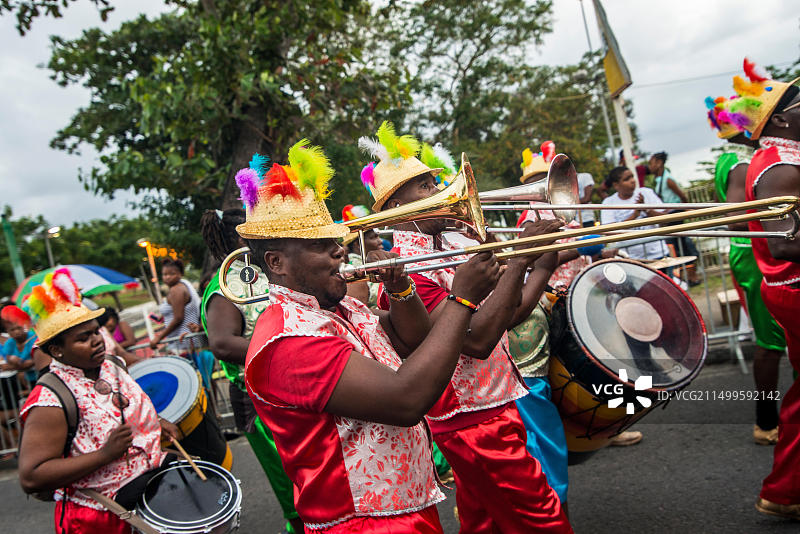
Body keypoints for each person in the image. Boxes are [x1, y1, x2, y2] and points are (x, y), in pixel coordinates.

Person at [237, 139, 510, 532]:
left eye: (336, 241)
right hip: (364, 522)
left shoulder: (337, 306)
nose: (339, 252)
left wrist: (400, 288)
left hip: (402, 506)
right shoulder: (288, 340)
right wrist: (462, 299)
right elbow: (406, 400)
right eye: (321, 245)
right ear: (276, 263)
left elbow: (410, 339)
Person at [362, 122, 572, 532]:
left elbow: (507, 315)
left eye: (433, 181)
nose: (438, 191)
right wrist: (521, 261)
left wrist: (539, 262)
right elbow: (474, 340)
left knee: (485, 524)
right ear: (392, 210)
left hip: (496, 403)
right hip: (470, 420)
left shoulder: (458, 243)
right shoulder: (406, 271)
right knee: (545, 521)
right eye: (423, 187)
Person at [17, 270, 180, 533]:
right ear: (57, 350)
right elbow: (32, 476)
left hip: (150, 497)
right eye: (82, 338)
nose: (96, 341)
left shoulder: (113, 365)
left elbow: (120, 411)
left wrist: (156, 423)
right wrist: (104, 455)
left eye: (95, 332)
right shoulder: (50, 398)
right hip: (100, 518)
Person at [199, 206, 303, 534]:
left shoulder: (259, 271)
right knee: (290, 479)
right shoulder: (223, 285)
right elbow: (222, 343)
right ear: (243, 236)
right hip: (257, 398)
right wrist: (288, 348)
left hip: (290, 387)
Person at [728, 57, 800, 520]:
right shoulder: (778, 166)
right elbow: (782, 241)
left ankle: (785, 490)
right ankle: (783, 489)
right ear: (779, 118)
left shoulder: (780, 158)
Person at [707, 93, 787, 446]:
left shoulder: (741, 156)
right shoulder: (741, 160)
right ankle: (766, 420)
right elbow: (735, 219)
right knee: (771, 340)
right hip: (758, 256)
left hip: (762, 251)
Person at [649, 151, 702, 285]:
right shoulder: (659, 181)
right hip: (670, 214)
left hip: (675, 214)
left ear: (659, 163)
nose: (650, 166)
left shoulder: (667, 179)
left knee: (682, 243)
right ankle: (685, 276)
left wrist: (684, 210)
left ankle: (691, 276)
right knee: (677, 246)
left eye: (652, 163)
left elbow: (681, 196)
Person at [601, 167, 671, 260]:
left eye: (632, 177)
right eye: (627, 179)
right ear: (616, 185)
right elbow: (609, 233)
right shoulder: (609, 203)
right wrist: (634, 216)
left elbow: (666, 220)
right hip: (631, 259)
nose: (632, 181)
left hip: (659, 254)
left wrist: (647, 210)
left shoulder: (646, 193)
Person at [149, 258, 205, 352]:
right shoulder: (183, 285)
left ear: (180, 274)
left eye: (172, 274)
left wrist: (158, 338)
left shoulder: (176, 290)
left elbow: (178, 318)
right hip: (186, 340)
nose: (167, 277)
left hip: (183, 341)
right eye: (164, 274)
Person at [341, 205, 383, 308]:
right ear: (357, 244)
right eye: (373, 238)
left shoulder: (365, 262)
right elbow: (374, 296)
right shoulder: (353, 266)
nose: (380, 241)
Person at [1, 303, 38, 387]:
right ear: (8, 332)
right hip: (28, 380)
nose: (16, 332)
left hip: (41, 375)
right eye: (12, 330)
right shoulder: (9, 343)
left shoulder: (33, 337)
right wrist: (13, 361)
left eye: (19, 328)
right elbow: (6, 363)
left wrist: (15, 366)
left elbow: (32, 362)